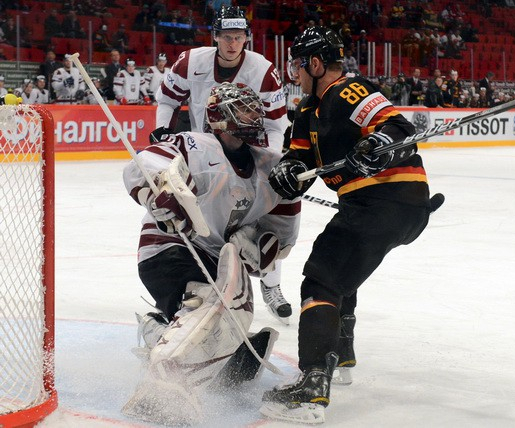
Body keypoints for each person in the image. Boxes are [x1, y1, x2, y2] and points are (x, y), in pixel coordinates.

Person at [260, 26, 435, 424]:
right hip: (380, 206)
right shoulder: (308, 110)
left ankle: (311, 387)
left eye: (298, 64)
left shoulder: (348, 90)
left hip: (386, 198)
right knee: (341, 271)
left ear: (315, 63)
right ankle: (341, 354)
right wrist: (288, 173)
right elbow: (299, 161)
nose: (294, 72)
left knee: (321, 279)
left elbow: (399, 129)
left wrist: (376, 145)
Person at [121, 83, 300, 422]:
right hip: (169, 247)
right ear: (219, 116)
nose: (254, 115)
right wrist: (159, 190)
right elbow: (142, 165)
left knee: (224, 316)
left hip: (216, 260)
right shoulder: (194, 145)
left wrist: (256, 244)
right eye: (243, 109)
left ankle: (163, 331)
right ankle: (163, 380)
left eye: (255, 109)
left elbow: (280, 241)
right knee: (205, 302)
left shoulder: (269, 166)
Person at [153, 6, 291, 323]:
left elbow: (276, 125)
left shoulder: (263, 70)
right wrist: (162, 131)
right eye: (227, 37)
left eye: (239, 37)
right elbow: (168, 99)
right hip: (206, 155)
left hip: (248, 154)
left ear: (246, 38)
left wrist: (267, 162)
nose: (233, 44)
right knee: (203, 224)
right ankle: (191, 288)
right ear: (215, 36)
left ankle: (271, 285)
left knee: (265, 222)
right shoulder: (190, 62)